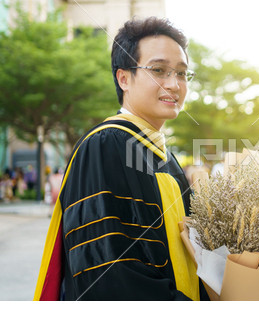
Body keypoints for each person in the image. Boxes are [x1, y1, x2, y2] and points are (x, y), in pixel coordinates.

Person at [34, 17, 208, 301]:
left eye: (181, 73)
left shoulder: (166, 157)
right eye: (159, 70)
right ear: (123, 78)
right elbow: (105, 272)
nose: (174, 84)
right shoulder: (104, 145)